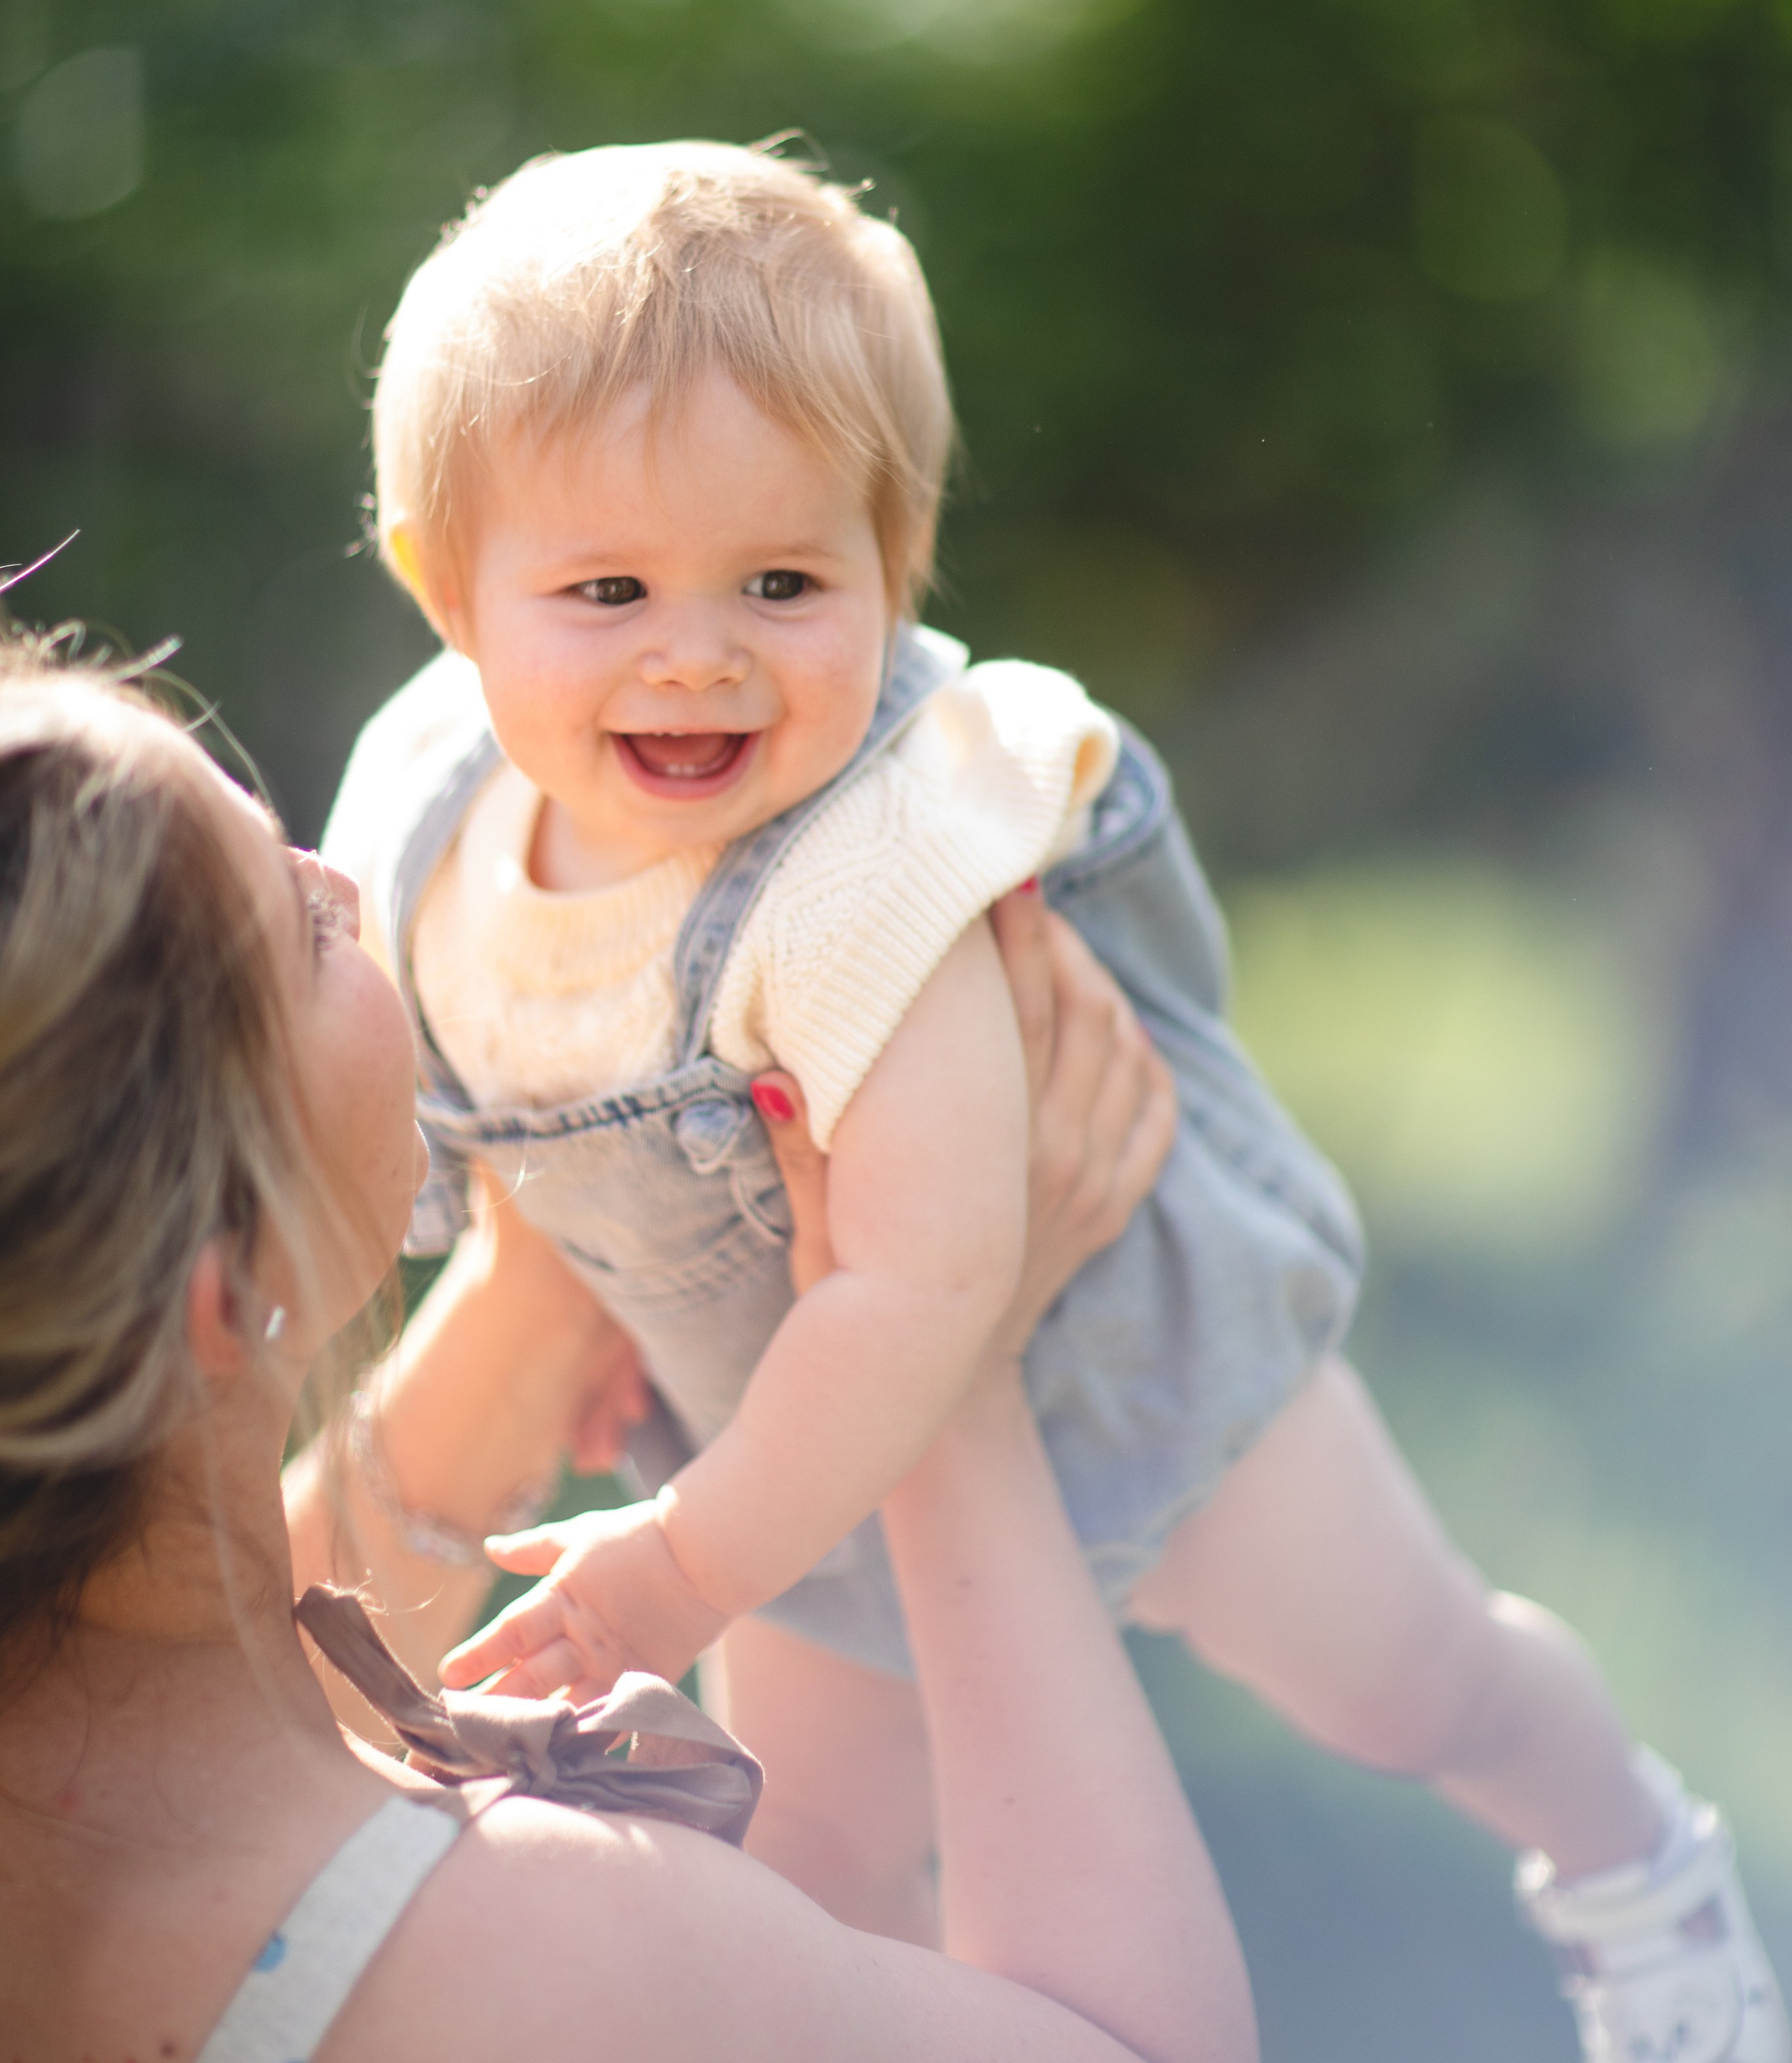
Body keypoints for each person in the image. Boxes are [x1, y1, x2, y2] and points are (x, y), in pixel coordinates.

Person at [325, 138, 1785, 2063]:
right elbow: (449, 1111)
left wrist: (680, 1561)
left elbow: (934, 1285)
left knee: (1412, 1683)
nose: (699, 650)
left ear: (896, 558)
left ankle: (1633, 1859)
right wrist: (558, 1273)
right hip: (797, 1450)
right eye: (607, 588)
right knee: (820, 1869)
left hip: (1126, 1367)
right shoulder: (434, 816)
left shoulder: (868, 873)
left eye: (783, 578)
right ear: (447, 587)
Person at [0, 633, 1255, 2063]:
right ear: (209, 1291)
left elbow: (163, 1627)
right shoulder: (541, 1960)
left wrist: (528, 1308)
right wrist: (950, 1371)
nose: (344, 878)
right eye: (295, 929)